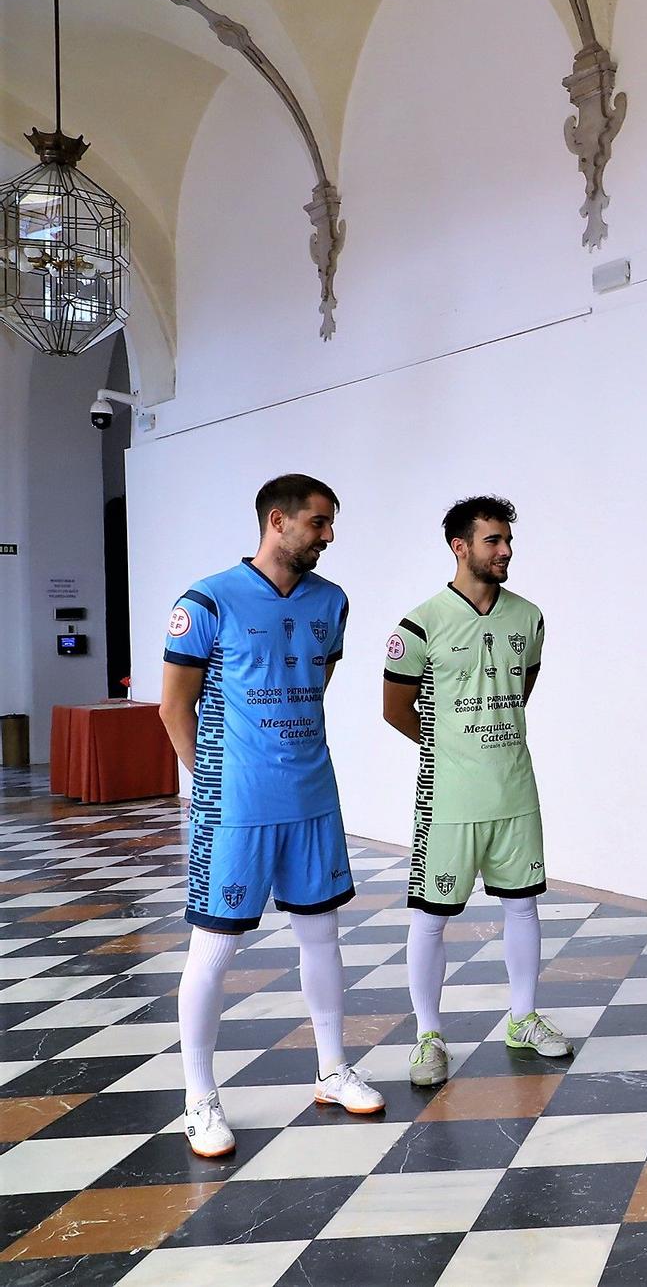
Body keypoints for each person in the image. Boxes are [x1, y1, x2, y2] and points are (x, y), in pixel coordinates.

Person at [160, 474, 382, 1159]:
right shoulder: (206, 601)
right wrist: (213, 783)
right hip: (237, 806)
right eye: (319, 523)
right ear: (277, 521)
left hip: (312, 796)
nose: (329, 536)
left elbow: (314, 682)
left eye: (331, 523)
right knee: (216, 947)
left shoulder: (331, 601)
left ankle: (330, 1069)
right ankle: (199, 1098)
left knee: (322, 937)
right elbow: (175, 708)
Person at [384, 496, 568, 1086]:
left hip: (515, 789)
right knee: (432, 917)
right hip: (450, 799)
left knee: (523, 906)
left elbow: (523, 689)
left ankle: (522, 1017)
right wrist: (450, 751)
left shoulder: (529, 617)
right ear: (459, 547)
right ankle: (428, 1036)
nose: (505, 550)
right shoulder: (420, 624)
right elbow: (395, 709)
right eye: (492, 540)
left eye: (507, 540)